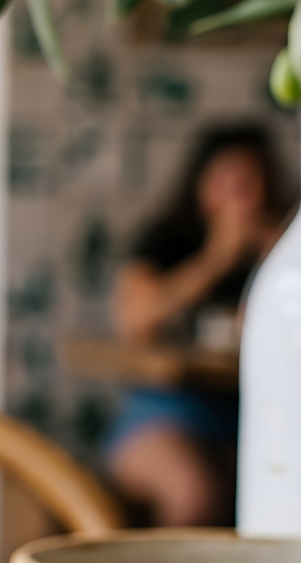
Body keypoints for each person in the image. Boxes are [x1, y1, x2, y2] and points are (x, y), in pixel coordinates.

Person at [107, 122, 294, 526]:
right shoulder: (168, 240)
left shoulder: (286, 253)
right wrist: (217, 258)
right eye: (224, 181)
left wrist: (270, 252)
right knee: (194, 491)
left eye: (247, 182)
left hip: (255, 410)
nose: (236, 196)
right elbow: (135, 321)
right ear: (199, 182)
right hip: (167, 408)